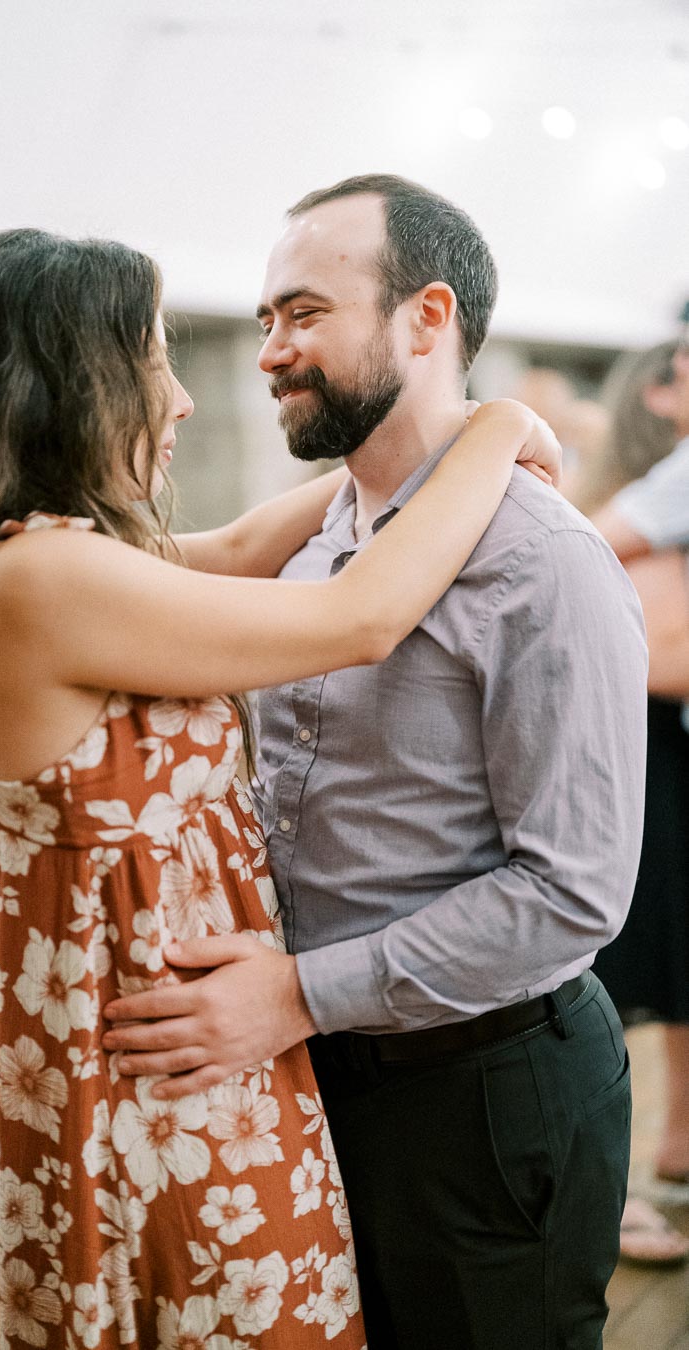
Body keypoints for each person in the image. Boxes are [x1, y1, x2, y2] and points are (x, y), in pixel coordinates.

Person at [0, 228, 560, 1349]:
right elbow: (358, 618)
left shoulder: (48, 556)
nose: (182, 401)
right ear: (70, 383)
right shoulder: (44, 576)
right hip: (156, 1077)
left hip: (171, 1040)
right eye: (153, 362)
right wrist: (498, 429)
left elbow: (240, 547)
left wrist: (397, 456)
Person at [105, 175, 649, 1350]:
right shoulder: (319, 537)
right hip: (318, 1073)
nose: (268, 352)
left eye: (302, 313)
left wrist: (295, 993)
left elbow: (573, 893)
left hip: (485, 1095)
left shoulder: (541, 559)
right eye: (263, 321)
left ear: (426, 317)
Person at [587, 339, 689, 1265]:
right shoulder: (645, 502)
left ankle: (678, 1151)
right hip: (638, 751)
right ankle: (608, 1187)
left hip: (672, 751)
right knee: (615, 966)